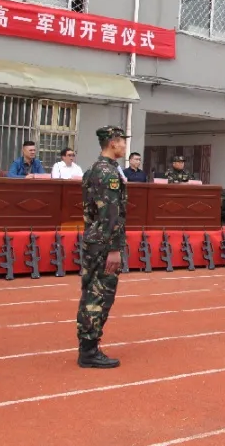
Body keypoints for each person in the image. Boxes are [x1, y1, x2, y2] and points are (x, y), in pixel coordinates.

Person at [76, 125, 129, 369]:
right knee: (100, 295)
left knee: (90, 293)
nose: (124, 146)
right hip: (104, 243)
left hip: (92, 238)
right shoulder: (108, 174)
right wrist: (115, 249)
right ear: (113, 142)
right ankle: (89, 350)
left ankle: (88, 346)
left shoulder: (93, 169)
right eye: (122, 141)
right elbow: (110, 215)